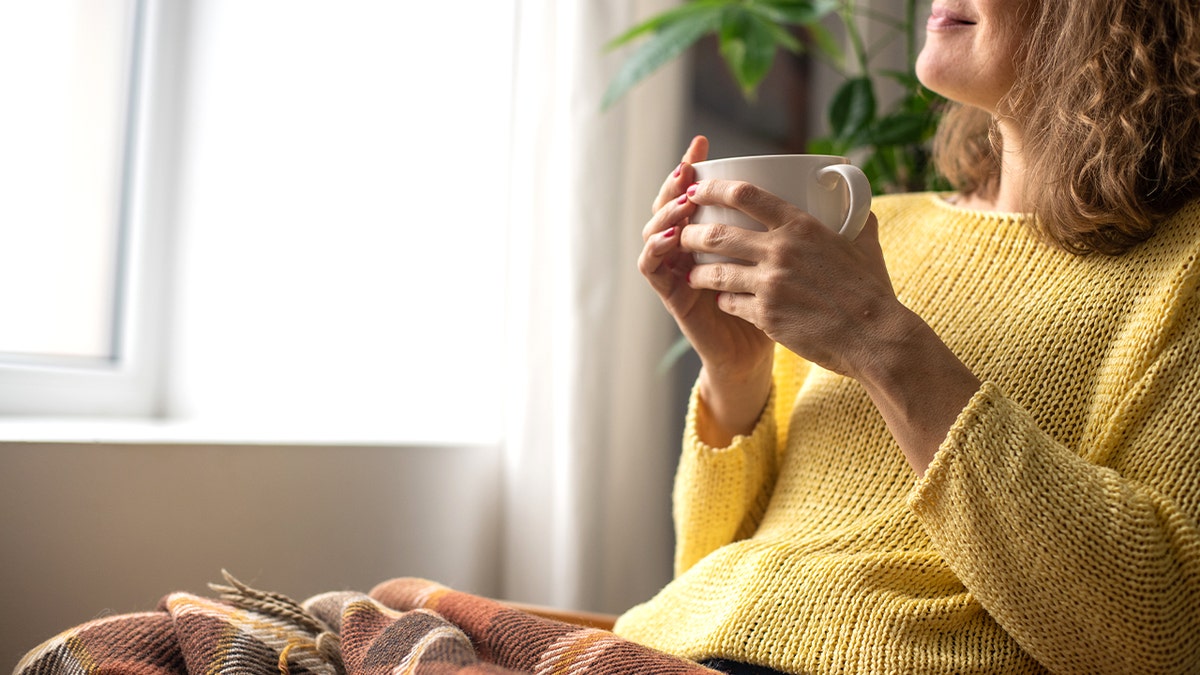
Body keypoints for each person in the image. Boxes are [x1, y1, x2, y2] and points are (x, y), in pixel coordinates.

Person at [618, 0, 1200, 673]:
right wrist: (736, 367)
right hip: (664, 648)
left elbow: (1161, 637)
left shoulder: (1182, 269)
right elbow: (705, 568)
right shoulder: (867, 227)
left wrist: (878, 339)